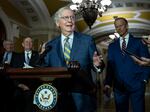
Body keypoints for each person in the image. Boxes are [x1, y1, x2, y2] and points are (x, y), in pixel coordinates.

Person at [43, 6, 105, 112]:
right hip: (59, 96)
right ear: (58, 23)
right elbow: (45, 69)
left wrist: (97, 64)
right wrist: (41, 57)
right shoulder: (50, 45)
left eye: (72, 17)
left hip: (83, 95)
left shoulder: (87, 41)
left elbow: (97, 66)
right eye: (66, 17)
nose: (70, 20)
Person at [103, 17, 150, 112]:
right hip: (119, 87)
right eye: (116, 27)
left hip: (137, 85)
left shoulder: (139, 42)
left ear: (127, 26)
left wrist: (144, 80)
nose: (119, 28)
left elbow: (147, 62)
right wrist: (108, 83)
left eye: (121, 25)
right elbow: (110, 66)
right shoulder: (112, 46)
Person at [14, 37, 41, 112]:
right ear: (23, 44)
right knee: (16, 97)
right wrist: (19, 85)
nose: (28, 43)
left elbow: (41, 69)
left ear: (32, 44)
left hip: (34, 85)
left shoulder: (38, 55)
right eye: (26, 42)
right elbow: (13, 73)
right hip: (20, 86)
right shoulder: (17, 56)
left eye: (30, 42)